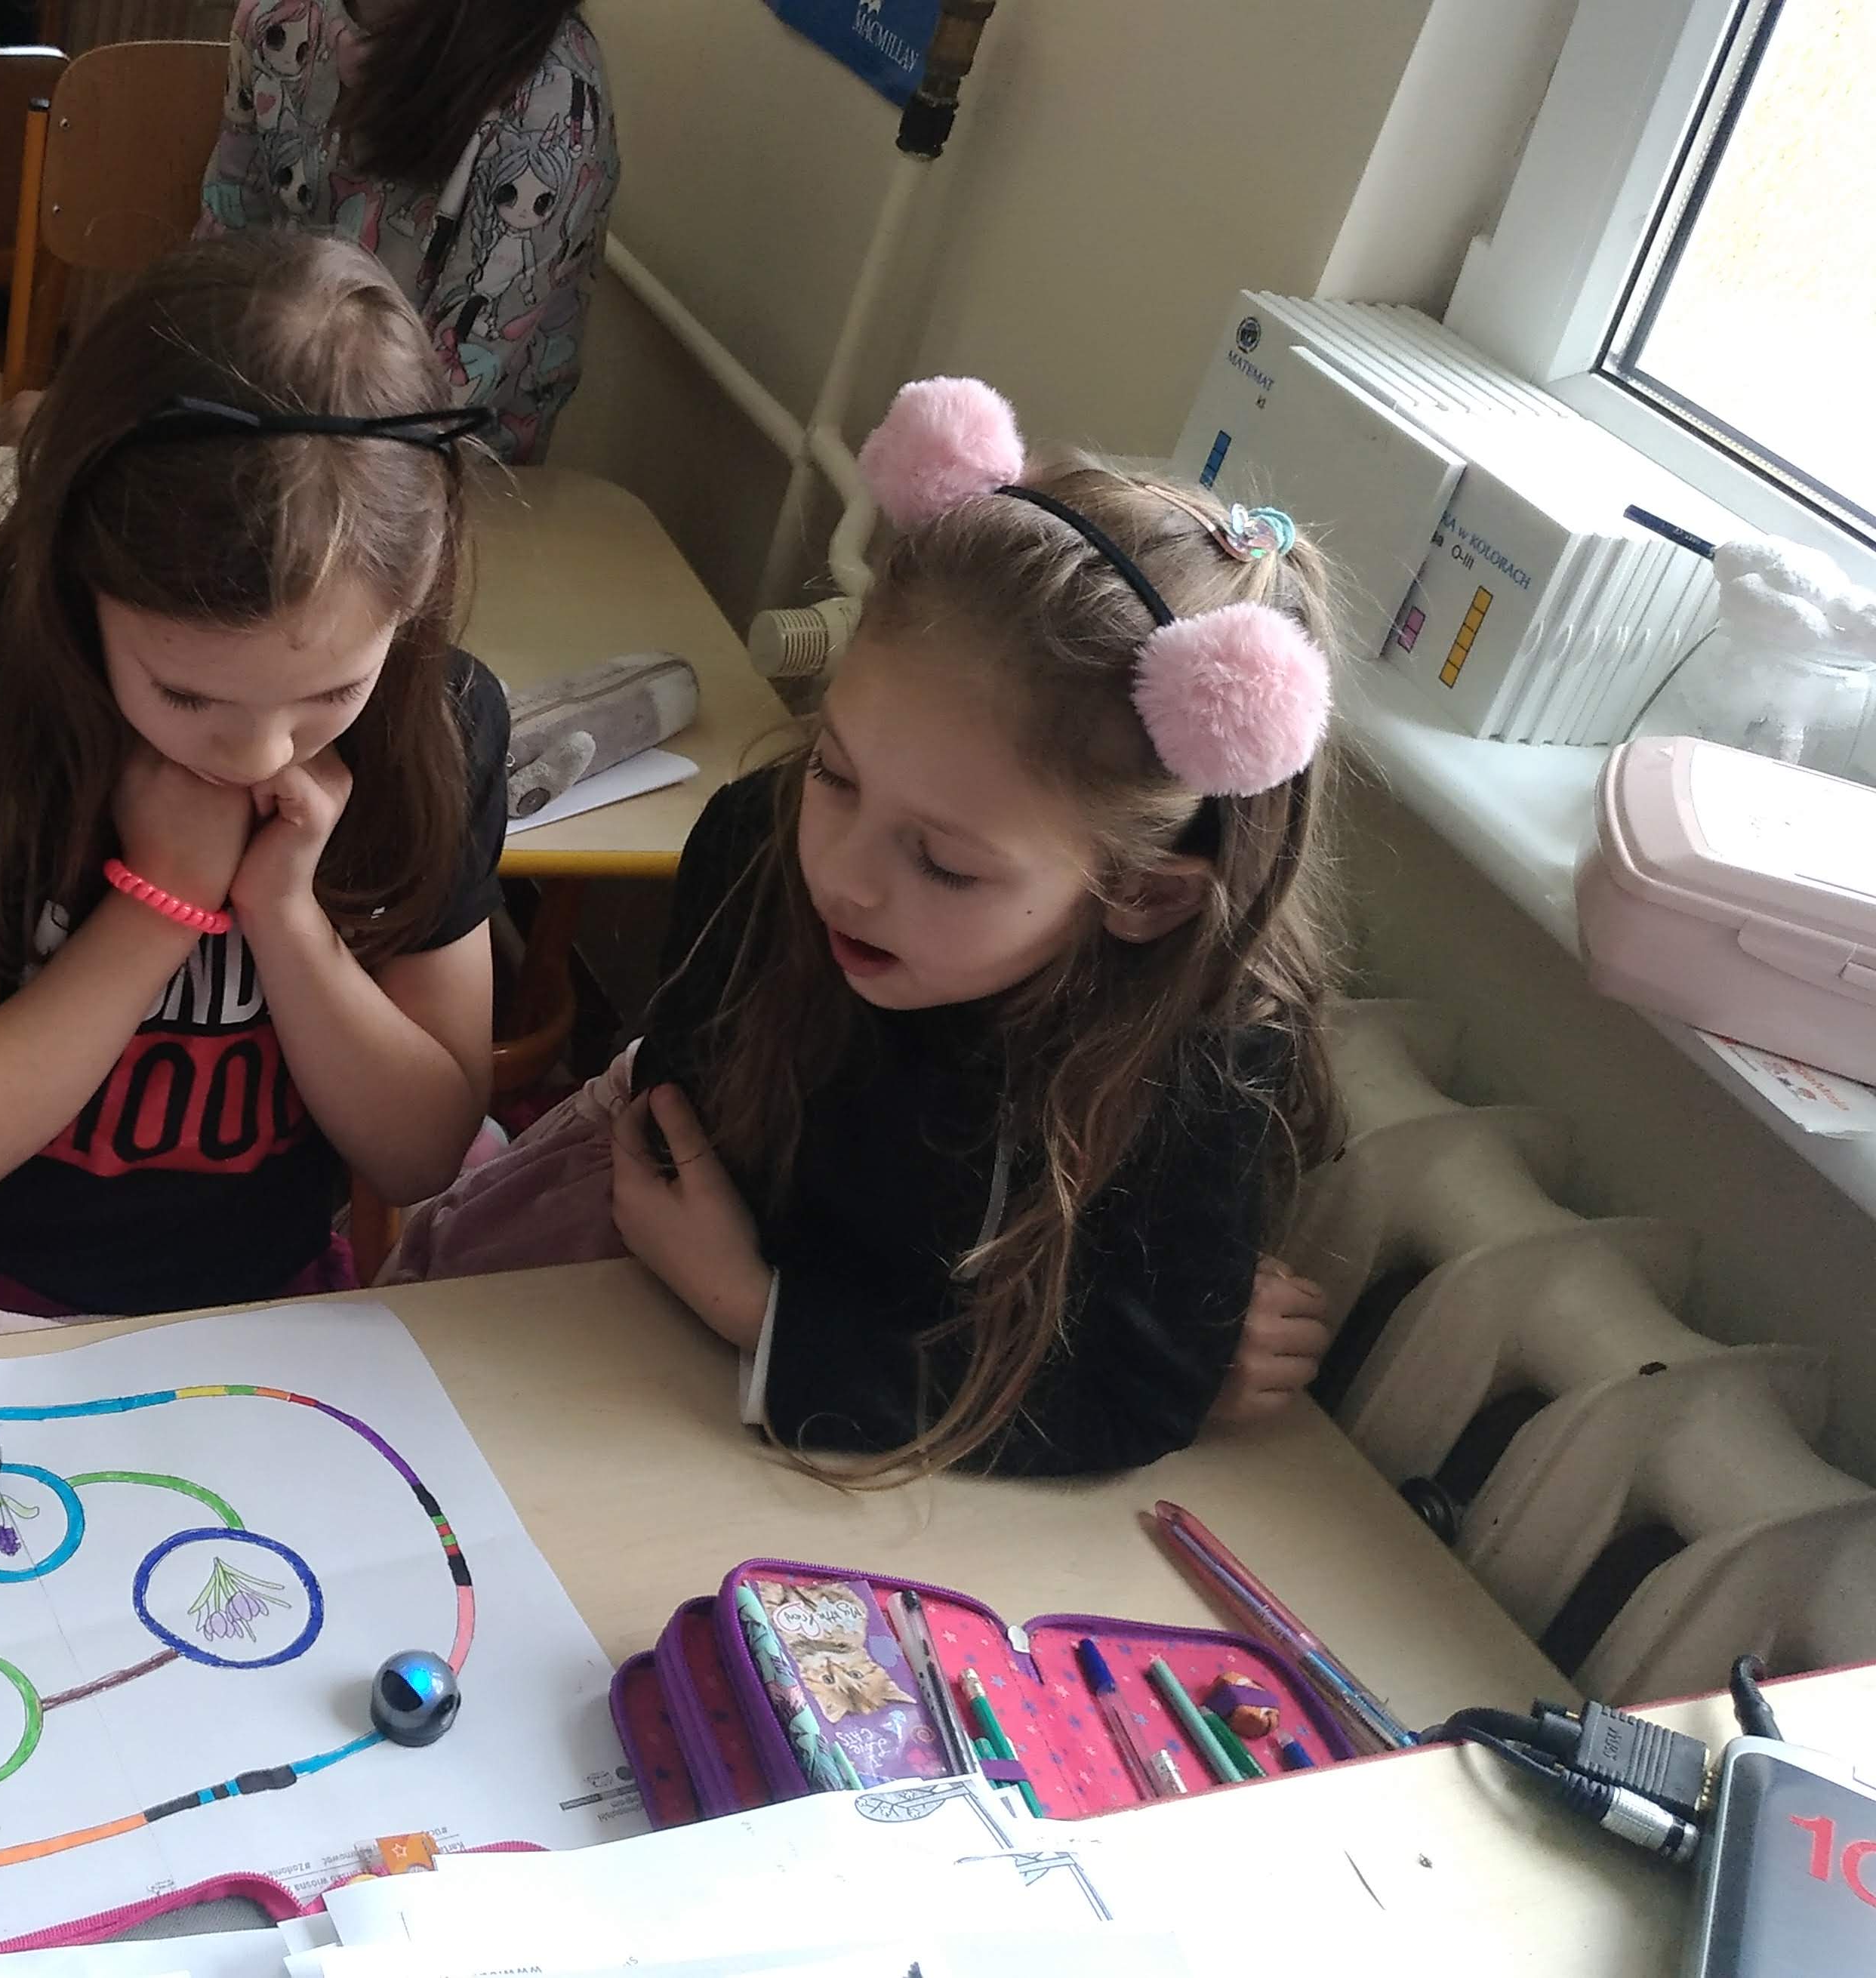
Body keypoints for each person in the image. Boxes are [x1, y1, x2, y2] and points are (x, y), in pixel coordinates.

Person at [391, 377, 1345, 1478]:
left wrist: (759, 1308)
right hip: (644, 1310)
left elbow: (1134, 1396)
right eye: (835, 775)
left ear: (1142, 896)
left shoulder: (1211, 1056)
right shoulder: (757, 844)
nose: (840, 877)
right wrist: (1031, 1339)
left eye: (943, 863)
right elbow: (702, 1166)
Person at [0, 233, 508, 1363]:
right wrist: (161, 902)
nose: (259, 753)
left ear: (416, 599)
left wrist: (286, 920)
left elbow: (422, 1154)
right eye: (186, 694)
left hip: (262, 1311)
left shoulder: (435, 729)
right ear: (76, 577)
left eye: (330, 693)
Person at [195, 0, 615, 464]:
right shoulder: (277, 15)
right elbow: (223, 251)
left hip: (433, 471)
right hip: (256, 418)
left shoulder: (551, 106)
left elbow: (442, 405)